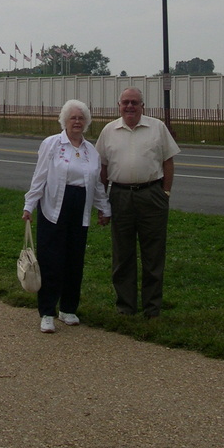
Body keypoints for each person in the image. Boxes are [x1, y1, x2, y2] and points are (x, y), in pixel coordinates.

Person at [23, 100, 111, 333]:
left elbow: (97, 184)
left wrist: (104, 208)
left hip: (79, 209)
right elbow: (39, 176)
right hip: (53, 208)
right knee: (51, 260)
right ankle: (47, 312)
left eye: (81, 118)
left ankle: (68, 308)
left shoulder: (91, 151)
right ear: (64, 120)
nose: (77, 122)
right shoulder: (52, 144)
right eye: (72, 117)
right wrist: (29, 205)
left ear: (87, 122)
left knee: (74, 260)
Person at [96, 87, 179, 318]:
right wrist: (102, 202)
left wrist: (166, 193)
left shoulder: (157, 128)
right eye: (126, 102)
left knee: (153, 255)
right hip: (120, 196)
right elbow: (102, 168)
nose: (130, 106)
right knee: (123, 255)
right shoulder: (109, 131)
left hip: (151, 195)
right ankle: (126, 307)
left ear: (143, 106)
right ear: (119, 105)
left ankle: (152, 309)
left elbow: (168, 161)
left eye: (134, 102)